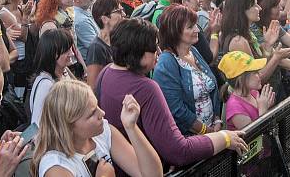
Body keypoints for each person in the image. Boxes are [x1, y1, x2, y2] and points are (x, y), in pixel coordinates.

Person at [95, 18, 247, 168]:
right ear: (138, 53)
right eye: (154, 48)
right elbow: (178, 151)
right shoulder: (146, 88)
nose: (159, 52)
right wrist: (224, 138)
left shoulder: (106, 72)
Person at [34, 79, 162, 177]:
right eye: (91, 113)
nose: (102, 113)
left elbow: (153, 174)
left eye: (97, 106)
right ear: (68, 126)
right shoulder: (56, 166)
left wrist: (131, 127)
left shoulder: (101, 132)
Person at [152, 5, 221, 136]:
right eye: (190, 27)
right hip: (190, 138)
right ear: (174, 32)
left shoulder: (193, 51)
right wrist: (206, 131)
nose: (196, 29)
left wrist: (217, 120)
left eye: (195, 25)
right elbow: (176, 110)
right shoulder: (167, 63)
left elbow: (212, 89)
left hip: (212, 131)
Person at [217, 51, 275, 131]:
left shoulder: (252, 92)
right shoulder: (235, 109)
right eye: (255, 73)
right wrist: (263, 111)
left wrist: (266, 105)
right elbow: (255, 136)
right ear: (241, 80)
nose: (260, 75)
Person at [29, 29, 76, 127]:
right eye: (67, 51)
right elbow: (37, 124)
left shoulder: (64, 72)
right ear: (53, 53)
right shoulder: (46, 85)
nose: (72, 54)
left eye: (71, 49)